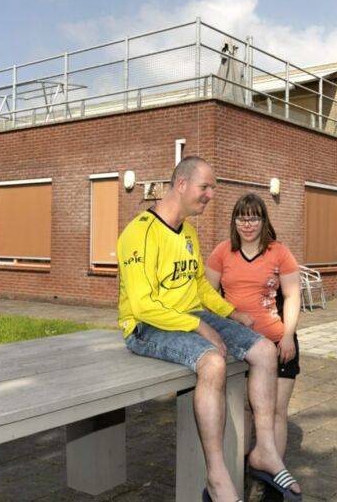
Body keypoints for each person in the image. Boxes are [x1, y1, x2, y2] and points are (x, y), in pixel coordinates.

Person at [117, 157, 302, 502]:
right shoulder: (139, 233)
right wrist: (199, 326)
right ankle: (216, 478)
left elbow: (199, 286)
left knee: (264, 350)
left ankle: (264, 450)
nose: (211, 195)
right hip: (146, 325)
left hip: (189, 314)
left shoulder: (188, 232)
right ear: (182, 184)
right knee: (213, 362)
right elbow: (142, 306)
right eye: (205, 187)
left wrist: (230, 312)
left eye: (212, 188)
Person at [205, 193, 302, 473]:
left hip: (278, 342)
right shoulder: (222, 252)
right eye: (241, 218)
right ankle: (242, 471)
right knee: (246, 410)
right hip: (240, 345)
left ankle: (273, 475)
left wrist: (288, 336)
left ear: (264, 221)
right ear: (234, 221)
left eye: (253, 218)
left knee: (276, 411)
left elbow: (292, 296)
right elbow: (207, 296)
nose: (247, 224)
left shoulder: (279, 253)